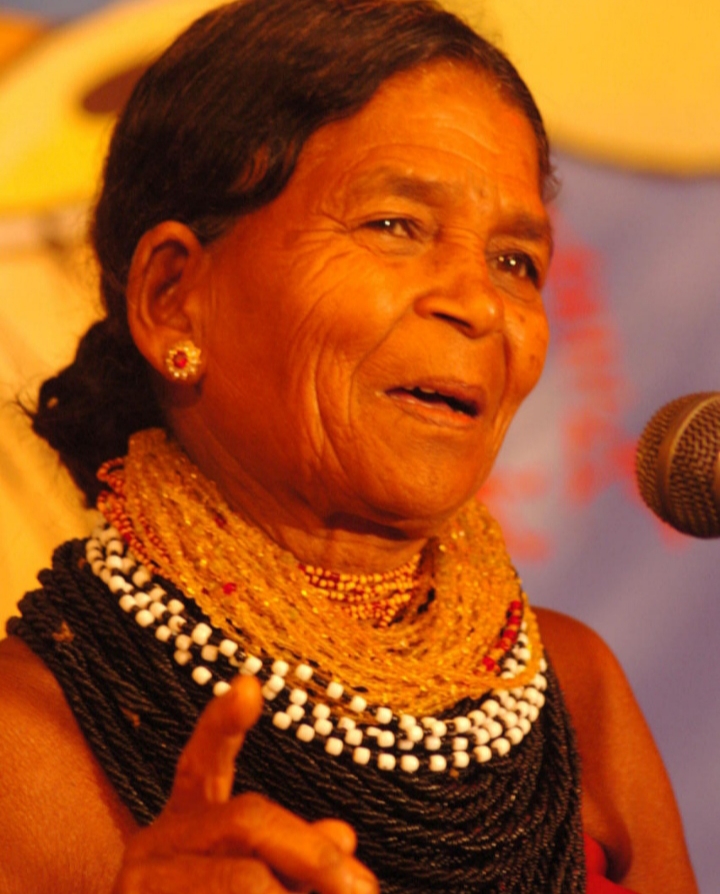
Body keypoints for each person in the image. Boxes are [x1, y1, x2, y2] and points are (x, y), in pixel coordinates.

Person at [0, 0, 698, 892]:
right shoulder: (26, 741)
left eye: (516, 261)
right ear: (174, 297)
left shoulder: (573, 688)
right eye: (394, 225)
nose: (480, 305)